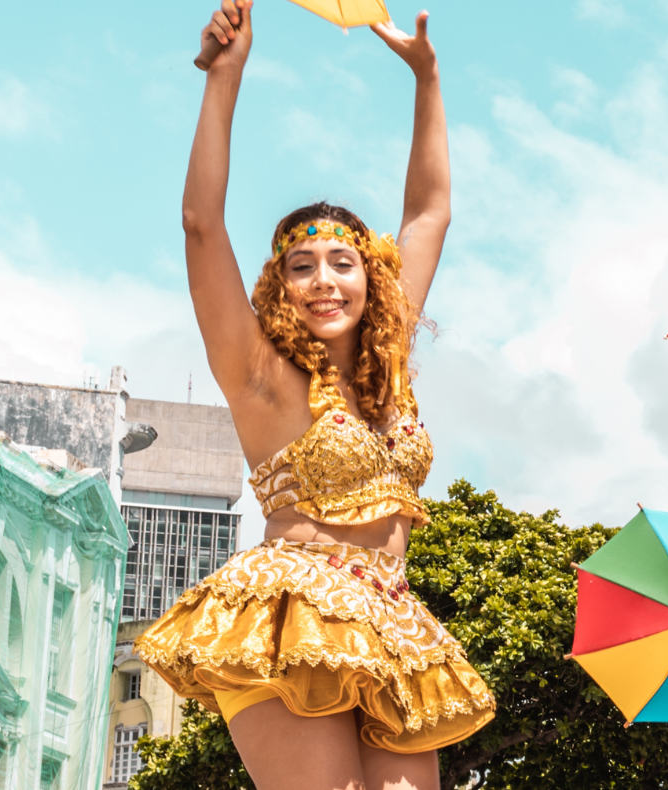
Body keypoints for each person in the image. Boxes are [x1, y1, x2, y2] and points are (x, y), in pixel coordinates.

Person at [136, 3, 491, 788]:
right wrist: (224, 79)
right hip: (293, 605)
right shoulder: (263, 378)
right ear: (281, 288)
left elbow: (431, 213)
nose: (324, 281)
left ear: (372, 279)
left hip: (393, 618)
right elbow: (201, 225)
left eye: (342, 263)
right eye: (302, 267)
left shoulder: (389, 365)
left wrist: (427, 78)